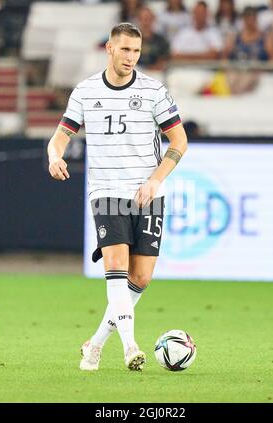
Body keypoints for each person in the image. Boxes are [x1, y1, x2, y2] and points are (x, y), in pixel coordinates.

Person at [47, 22, 187, 372]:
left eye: (136, 51)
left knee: (140, 278)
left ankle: (94, 345)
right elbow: (61, 136)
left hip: (148, 193)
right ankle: (130, 347)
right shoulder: (86, 90)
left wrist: (155, 180)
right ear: (110, 48)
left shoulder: (154, 91)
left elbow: (179, 141)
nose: (131, 57)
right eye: (125, 50)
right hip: (107, 191)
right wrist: (54, 156)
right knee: (116, 267)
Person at [136, 6, 170, 71]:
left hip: (156, 75)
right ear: (138, 20)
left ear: (153, 19)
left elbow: (163, 61)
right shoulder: (131, 40)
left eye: (148, 18)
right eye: (143, 19)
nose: (145, 22)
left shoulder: (161, 41)